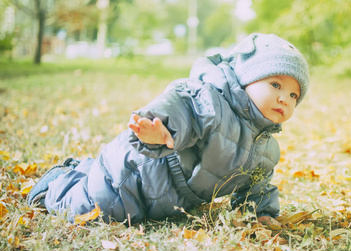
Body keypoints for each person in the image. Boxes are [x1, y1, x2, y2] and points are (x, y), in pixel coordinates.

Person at [26, 33, 309, 226]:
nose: (285, 98)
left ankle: (83, 169)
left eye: (294, 95)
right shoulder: (213, 101)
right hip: (141, 171)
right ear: (248, 78)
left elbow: (255, 185)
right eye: (275, 85)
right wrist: (160, 127)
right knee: (94, 211)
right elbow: (182, 106)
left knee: (137, 218)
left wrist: (260, 214)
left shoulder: (267, 149)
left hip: (172, 198)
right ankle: (57, 183)